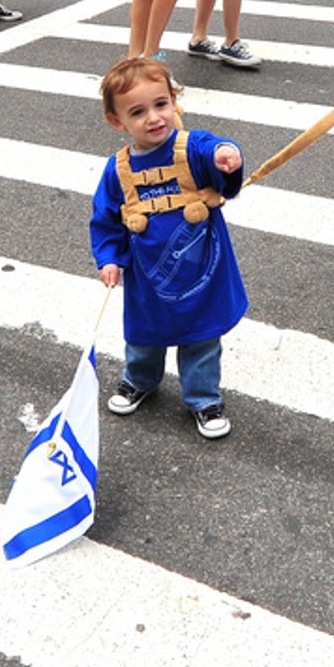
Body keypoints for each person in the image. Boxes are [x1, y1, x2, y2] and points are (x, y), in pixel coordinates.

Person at [90, 56, 246, 441]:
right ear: (117, 122)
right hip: (148, 275)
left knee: (202, 337)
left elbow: (216, 155)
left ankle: (203, 398)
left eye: (161, 104)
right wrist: (109, 258)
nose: (154, 118)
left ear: (174, 101)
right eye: (137, 112)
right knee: (144, 334)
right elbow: (106, 219)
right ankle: (139, 379)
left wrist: (225, 156)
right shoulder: (118, 170)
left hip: (202, 270)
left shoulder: (192, 147)